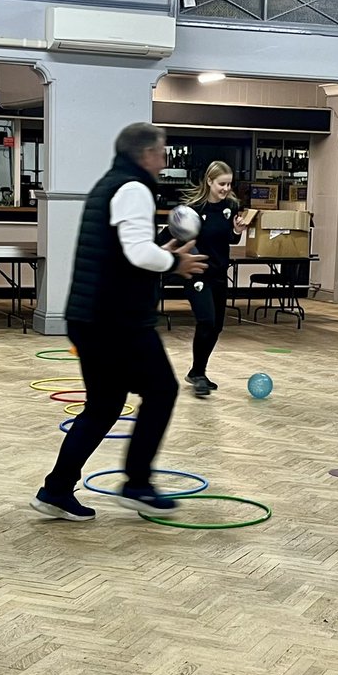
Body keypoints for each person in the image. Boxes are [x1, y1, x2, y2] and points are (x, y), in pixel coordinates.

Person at [29, 122, 207, 521]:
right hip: (115, 320)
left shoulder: (112, 183)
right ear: (145, 153)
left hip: (94, 316)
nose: (165, 161)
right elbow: (137, 254)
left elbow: (127, 252)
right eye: (162, 153)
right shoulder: (132, 188)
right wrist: (174, 260)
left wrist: (162, 250)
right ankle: (137, 484)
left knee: (104, 406)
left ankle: (56, 490)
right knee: (161, 390)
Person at [170, 161, 250, 398]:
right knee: (206, 320)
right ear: (209, 182)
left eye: (229, 184)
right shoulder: (193, 209)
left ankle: (197, 372)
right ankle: (199, 376)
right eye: (221, 184)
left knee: (216, 327)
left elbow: (230, 240)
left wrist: (236, 230)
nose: (226, 188)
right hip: (197, 273)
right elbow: (171, 236)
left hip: (218, 274)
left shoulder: (231, 207)